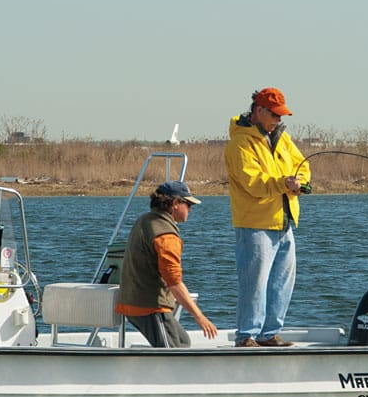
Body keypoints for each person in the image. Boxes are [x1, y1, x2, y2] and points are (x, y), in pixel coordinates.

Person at [224, 87, 311, 348]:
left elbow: (302, 165)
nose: (278, 120)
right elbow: (253, 182)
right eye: (274, 114)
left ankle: (269, 333)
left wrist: (301, 183)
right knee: (255, 284)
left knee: (282, 283)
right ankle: (247, 336)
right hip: (255, 225)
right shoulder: (240, 143)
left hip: (285, 223)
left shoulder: (283, 138)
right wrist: (284, 184)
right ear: (259, 111)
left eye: (281, 115)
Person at [115, 180, 218, 348]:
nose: (190, 209)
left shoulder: (145, 220)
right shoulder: (166, 236)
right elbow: (174, 283)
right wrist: (200, 317)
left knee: (183, 341)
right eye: (188, 204)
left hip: (132, 302)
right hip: (150, 307)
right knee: (173, 352)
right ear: (176, 204)